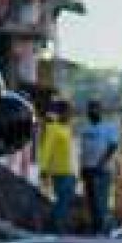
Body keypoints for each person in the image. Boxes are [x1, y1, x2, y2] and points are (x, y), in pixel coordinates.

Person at [78, 100, 120, 234]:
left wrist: (101, 163)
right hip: (88, 169)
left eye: (95, 109)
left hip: (102, 170)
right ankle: (95, 227)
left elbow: (113, 146)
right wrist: (82, 167)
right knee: (91, 200)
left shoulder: (108, 127)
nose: (92, 112)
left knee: (101, 200)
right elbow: (83, 150)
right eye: (90, 110)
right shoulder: (85, 128)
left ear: (100, 111)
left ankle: (102, 228)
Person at [40, 100, 78, 234]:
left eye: (71, 113)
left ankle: (58, 227)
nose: (70, 115)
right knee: (62, 201)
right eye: (68, 112)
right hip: (60, 171)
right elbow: (46, 149)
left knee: (65, 202)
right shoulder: (53, 128)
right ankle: (55, 228)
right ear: (61, 113)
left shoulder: (68, 129)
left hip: (71, 172)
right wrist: (43, 168)